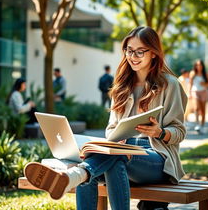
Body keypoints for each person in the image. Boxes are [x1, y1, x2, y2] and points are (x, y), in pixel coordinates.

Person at [24, 26, 187, 210]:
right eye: (129, 50)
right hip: (122, 152)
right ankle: (81, 171)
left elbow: (179, 132)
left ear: (154, 53)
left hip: (158, 156)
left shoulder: (170, 85)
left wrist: (160, 131)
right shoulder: (122, 87)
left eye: (140, 52)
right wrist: (116, 138)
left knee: (110, 159)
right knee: (102, 156)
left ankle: (76, 174)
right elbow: (111, 129)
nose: (133, 56)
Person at [189, 60, 208, 134]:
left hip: (203, 92)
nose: (199, 66)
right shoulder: (193, 73)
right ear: (195, 66)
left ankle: (202, 126)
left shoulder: (205, 74)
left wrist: (204, 84)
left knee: (203, 111)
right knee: (196, 108)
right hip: (195, 92)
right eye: (197, 65)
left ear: (202, 66)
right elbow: (190, 84)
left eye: (200, 65)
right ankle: (197, 124)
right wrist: (189, 93)